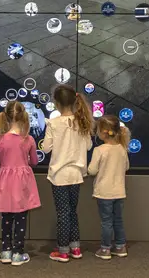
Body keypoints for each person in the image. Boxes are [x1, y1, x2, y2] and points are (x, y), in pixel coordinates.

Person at [0, 101, 41, 266]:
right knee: (21, 217)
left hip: (5, 182)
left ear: (6, 118)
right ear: (24, 117)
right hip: (22, 183)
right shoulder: (28, 139)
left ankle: (6, 251)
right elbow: (35, 162)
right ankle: (18, 253)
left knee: (6, 217)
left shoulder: (0, 140)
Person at [41, 86, 94, 262]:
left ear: (56, 103)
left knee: (63, 213)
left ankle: (63, 251)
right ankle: (76, 248)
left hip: (59, 176)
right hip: (77, 175)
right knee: (73, 211)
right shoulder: (82, 122)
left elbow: (46, 147)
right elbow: (88, 147)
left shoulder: (53, 124)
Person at [88, 115, 130, 259]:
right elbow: (127, 167)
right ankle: (120, 247)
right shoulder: (122, 149)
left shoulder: (99, 150)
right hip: (119, 192)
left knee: (106, 221)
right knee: (118, 220)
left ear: (103, 132)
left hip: (104, 193)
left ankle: (105, 249)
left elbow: (92, 170)